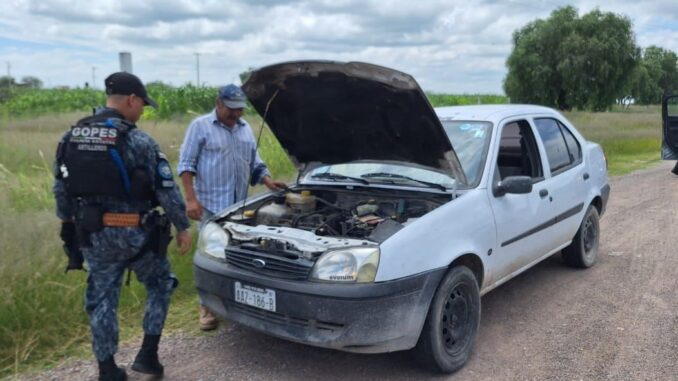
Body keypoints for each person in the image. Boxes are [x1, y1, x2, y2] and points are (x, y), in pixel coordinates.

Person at [53, 72, 192, 381]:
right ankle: (147, 356)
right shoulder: (139, 140)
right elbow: (167, 191)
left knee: (102, 299)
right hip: (138, 236)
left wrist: (67, 225)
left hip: (94, 236)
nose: (142, 111)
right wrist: (182, 227)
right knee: (160, 284)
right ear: (131, 99)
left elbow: (61, 190)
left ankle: (107, 370)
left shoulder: (71, 137)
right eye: (142, 104)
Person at [178, 84, 286, 330]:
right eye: (231, 109)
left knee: (236, 256)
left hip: (239, 207)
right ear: (218, 103)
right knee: (212, 256)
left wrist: (267, 180)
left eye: (240, 109)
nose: (236, 114)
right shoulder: (200, 126)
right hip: (210, 206)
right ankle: (206, 309)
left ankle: (235, 302)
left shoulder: (245, 128)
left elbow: (254, 161)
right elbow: (186, 165)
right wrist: (190, 200)